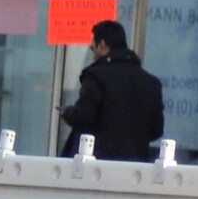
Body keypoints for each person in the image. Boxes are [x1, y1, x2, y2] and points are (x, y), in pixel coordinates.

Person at [60, 19, 166, 161]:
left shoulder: (97, 76)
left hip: (98, 165)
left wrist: (67, 112)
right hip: (136, 168)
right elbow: (156, 130)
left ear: (103, 45)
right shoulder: (151, 83)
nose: (93, 56)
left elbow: (83, 117)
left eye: (93, 48)